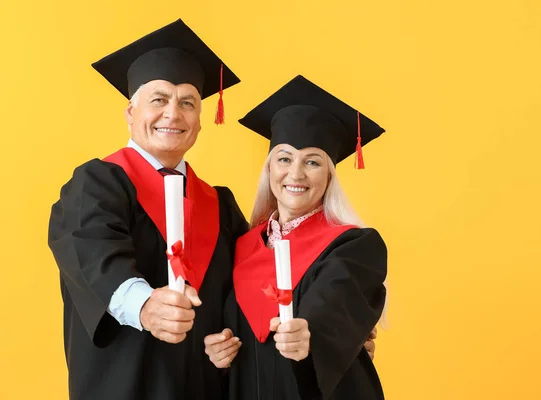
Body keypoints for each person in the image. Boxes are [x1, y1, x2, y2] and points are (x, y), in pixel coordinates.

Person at [47, 19, 248, 400]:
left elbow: (252, 279)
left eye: (188, 102)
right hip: (124, 383)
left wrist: (330, 327)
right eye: (159, 99)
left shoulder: (220, 204)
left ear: (200, 122)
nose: (173, 114)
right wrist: (143, 305)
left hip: (206, 387)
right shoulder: (98, 182)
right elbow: (88, 249)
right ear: (130, 112)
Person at [204, 75, 388, 399]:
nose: (296, 173)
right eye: (285, 158)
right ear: (270, 168)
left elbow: (334, 308)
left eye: (313, 162)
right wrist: (216, 352)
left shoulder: (353, 248)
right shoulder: (239, 246)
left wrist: (310, 335)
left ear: (330, 175)